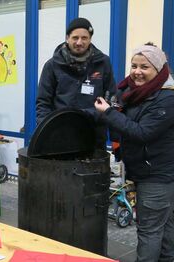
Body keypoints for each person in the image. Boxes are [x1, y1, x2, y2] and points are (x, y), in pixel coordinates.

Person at [94, 43, 174, 262]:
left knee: (150, 230)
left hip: (157, 176)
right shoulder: (132, 92)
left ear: (159, 70)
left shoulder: (167, 98)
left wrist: (109, 112)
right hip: (145, 171)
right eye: (134, 65)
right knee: (164, 228)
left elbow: (141, 132)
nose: (137, 71)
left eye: (145, 67)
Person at [36, 17, 116, 149]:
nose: (79, 42)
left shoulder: (103, 63)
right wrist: (46, 130)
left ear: (90, 39)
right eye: (75, 38)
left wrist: (87, 115)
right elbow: (43, 102)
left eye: (84, 38)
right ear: (67, 38)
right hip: (60, 135)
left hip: (94, 135)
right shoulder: (52, 65)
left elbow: (111, 98)